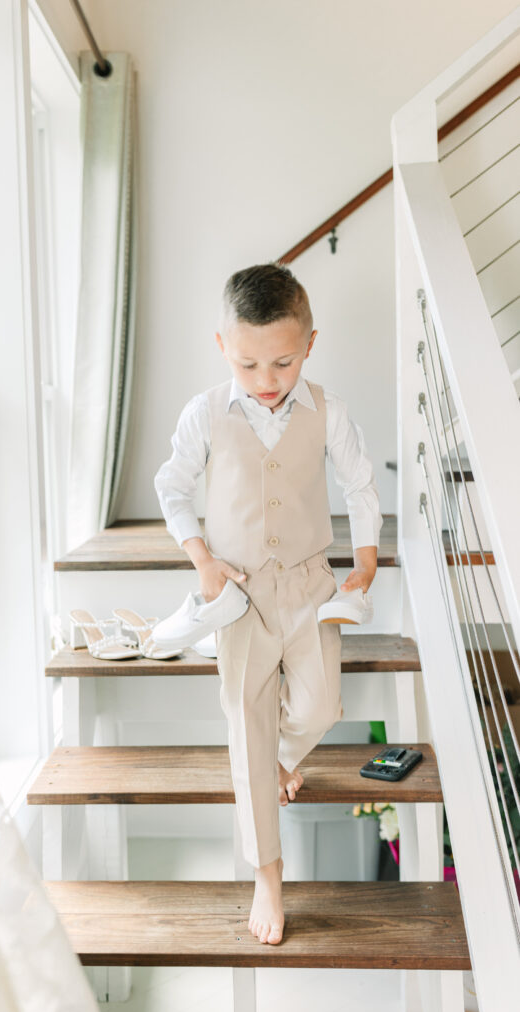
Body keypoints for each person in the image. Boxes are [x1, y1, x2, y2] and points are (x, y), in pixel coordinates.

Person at [154, 262, 383, 945]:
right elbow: (172, 486)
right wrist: (200, 558)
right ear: (222, 345)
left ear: (309, 343)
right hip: (239, 592)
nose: (266, 379)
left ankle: (280, 758)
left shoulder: (327, 410)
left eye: (282, 361)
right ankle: (268, 875)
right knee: (243, 725)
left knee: (319, 705)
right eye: (249, 362)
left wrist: (365, 557)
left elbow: (360, 484)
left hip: (311, 583)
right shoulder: (205, 413)